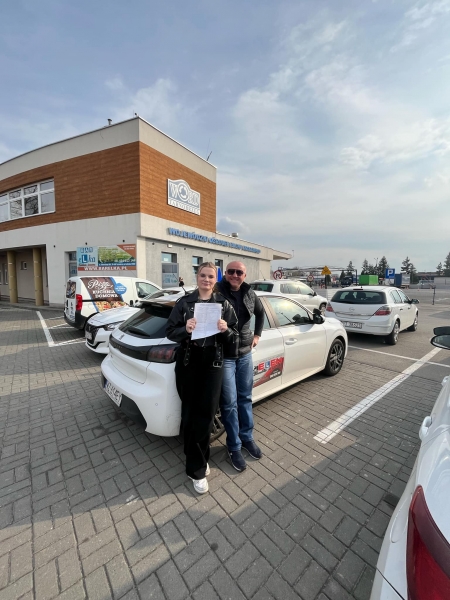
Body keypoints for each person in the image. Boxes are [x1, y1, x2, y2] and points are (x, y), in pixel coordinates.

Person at [166, 262, 238, 494]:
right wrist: (185, 329)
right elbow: (170, 332)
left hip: (213, 364)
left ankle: (197, 463)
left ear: (216, 280)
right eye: (203, 275)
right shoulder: (184, 303)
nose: (206, 280)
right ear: (197, 277)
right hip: (188, 362)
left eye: (210, 276)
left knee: (206, 415)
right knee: (189, 414)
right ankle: (196, 465)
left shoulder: (223, 304)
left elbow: (234, 338)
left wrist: (226, 330)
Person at [216, 261, 265, 472]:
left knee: (245, 398)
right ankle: (234, 446)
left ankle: (247, 438)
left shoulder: (250, 293)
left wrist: (257, 335)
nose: (235, 275)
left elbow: (261, 313)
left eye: (239, 272)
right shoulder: (216, 292)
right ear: (225, 274)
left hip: (245, 353)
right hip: (225, 355)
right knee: (229, 403)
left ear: (245, 275)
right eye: (231, 272)